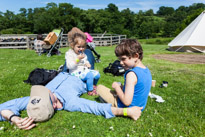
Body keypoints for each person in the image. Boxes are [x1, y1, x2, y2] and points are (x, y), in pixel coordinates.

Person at [0, 72, 143, 130]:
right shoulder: (71, 103)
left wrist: (13, 117)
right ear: (54, 104)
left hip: (64, 72)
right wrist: (126, 111)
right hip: (81, 77)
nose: (45, 90)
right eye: (47, 94)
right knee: (95, 74)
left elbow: (3, 107)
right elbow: (95, 107)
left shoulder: (35, 100)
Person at [97, 39, 152, 111]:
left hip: (126, 108)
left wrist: (117, 87)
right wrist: (122, 88)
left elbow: (127, 102)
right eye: (120, 59)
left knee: (100, 88)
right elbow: (137, 90)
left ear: (136, 56)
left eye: (123, 59)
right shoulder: (146, 70)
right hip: (139, 107)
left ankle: (112, 107)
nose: (121, 63)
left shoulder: (131, 74)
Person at [65, 29, 100, 96]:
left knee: (97, 74)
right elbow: (70, 66)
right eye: (79, 47)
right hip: (75, 73)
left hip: (83, 71)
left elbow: (85, 60)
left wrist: (87, 63)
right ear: (73, 46)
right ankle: (90, 90)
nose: (81, 49)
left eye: (83, 47)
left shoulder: (83, 53)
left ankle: (93, 85)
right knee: (90, 75)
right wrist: (77, 59)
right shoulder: (69, 54)